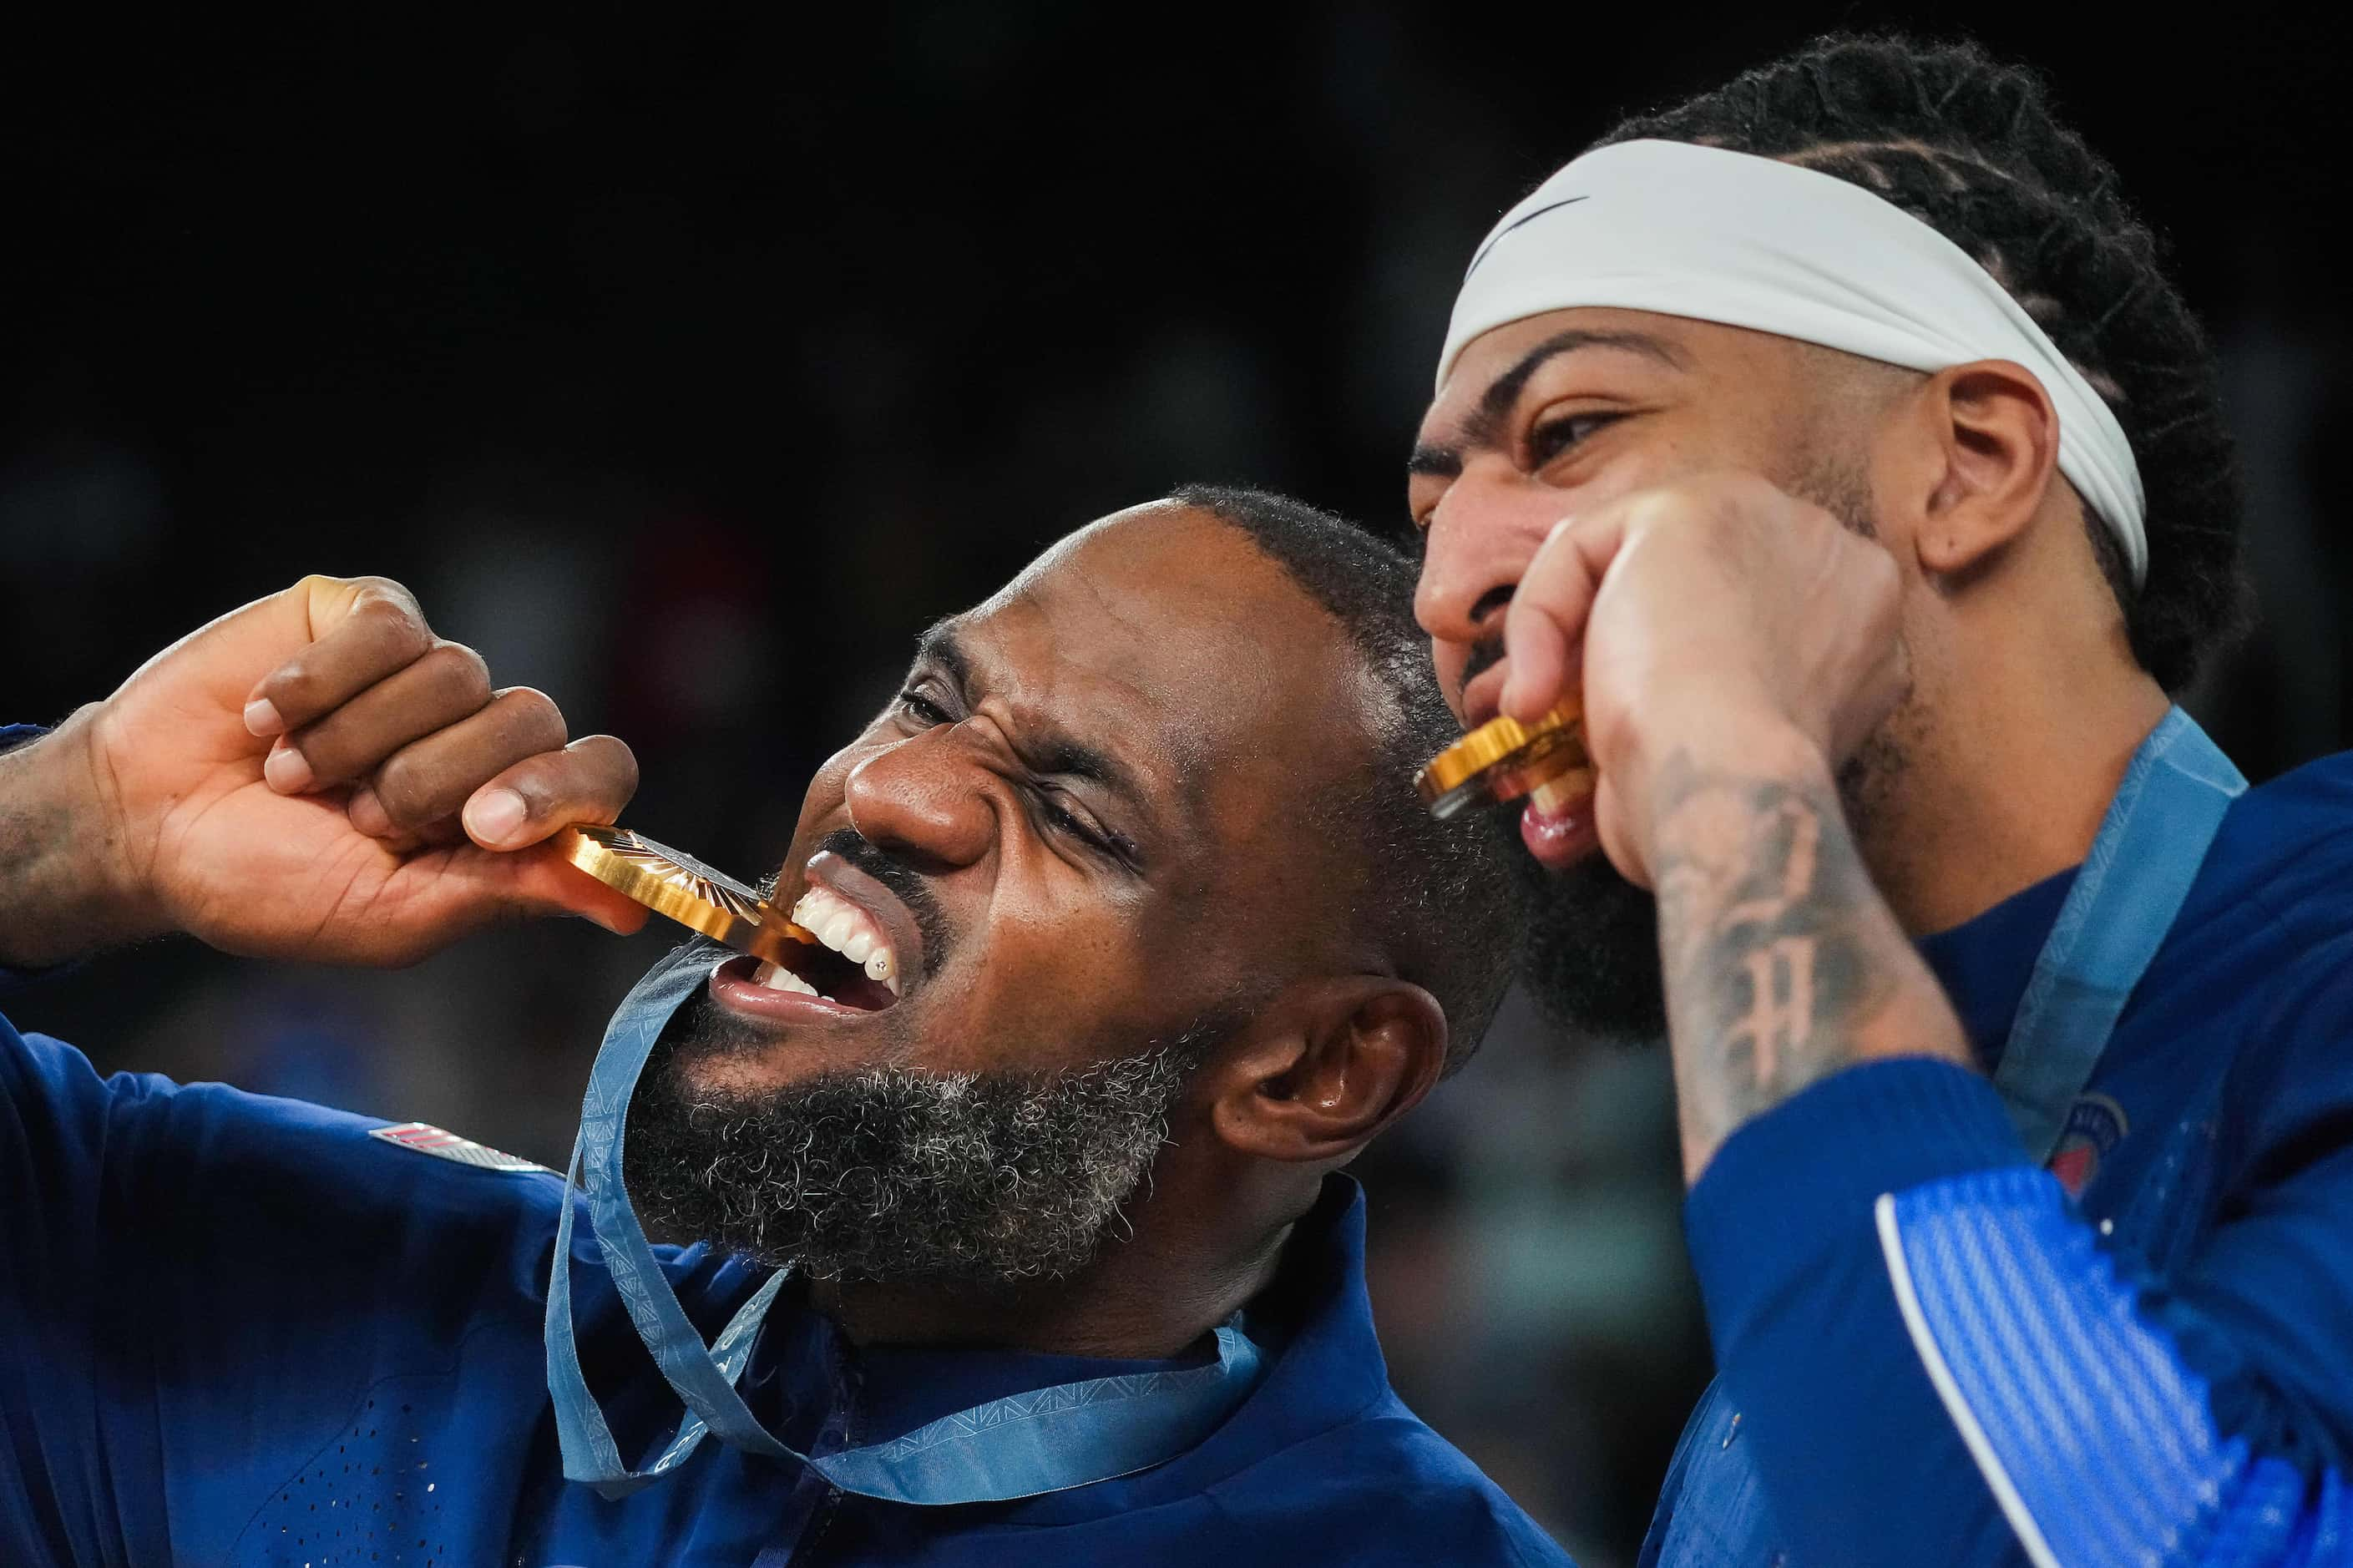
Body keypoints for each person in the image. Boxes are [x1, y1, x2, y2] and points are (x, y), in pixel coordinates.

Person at [0, 487, 1572, 1566]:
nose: (877, 790)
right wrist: (69, 834)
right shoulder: (364, 1319)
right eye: (925, 699)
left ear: (1315, 1067)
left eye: (1074, 814)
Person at [1407, 33, 2352, 1567]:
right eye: (1432, 519)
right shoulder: (1743, 1406)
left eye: (1566, 433)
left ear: (1970, 462)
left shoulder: (2320, 941)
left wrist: (1725, 753)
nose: (1444, 591)